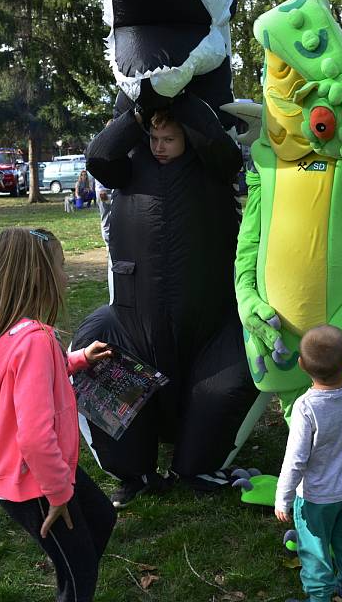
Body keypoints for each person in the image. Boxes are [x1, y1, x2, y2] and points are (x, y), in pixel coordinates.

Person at [72, 95, 261, 507]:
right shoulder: (131, 167)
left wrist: (186, 100)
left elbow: (225, 155)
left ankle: (198, 464)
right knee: (97, 358)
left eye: (169, 139)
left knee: (226, 379)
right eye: (154, 138)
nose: (159, 146)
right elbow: (99, 157)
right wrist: (137, 112)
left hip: (209, 322)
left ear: (187, 139)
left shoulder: (209, 169)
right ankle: (132, 470)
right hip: (134, 319)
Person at [0, 227, 117, 602]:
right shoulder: (35, 340)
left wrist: (75, 360)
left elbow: (32, 380)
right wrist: (59, 493)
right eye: (60, 266)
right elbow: (35, 435)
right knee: (81, 577)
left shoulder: (15, 333)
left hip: (43, 468)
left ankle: (68, 572)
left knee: (101, 521)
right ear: (38, 276)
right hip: (38, 481)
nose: (66, 275)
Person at [275, 325, 342, 602]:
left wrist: (282, 499)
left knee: (316, 552)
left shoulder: (305, 407)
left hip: (315, 499)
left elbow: (295, 460)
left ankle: (320, 597)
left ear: (300, 364)